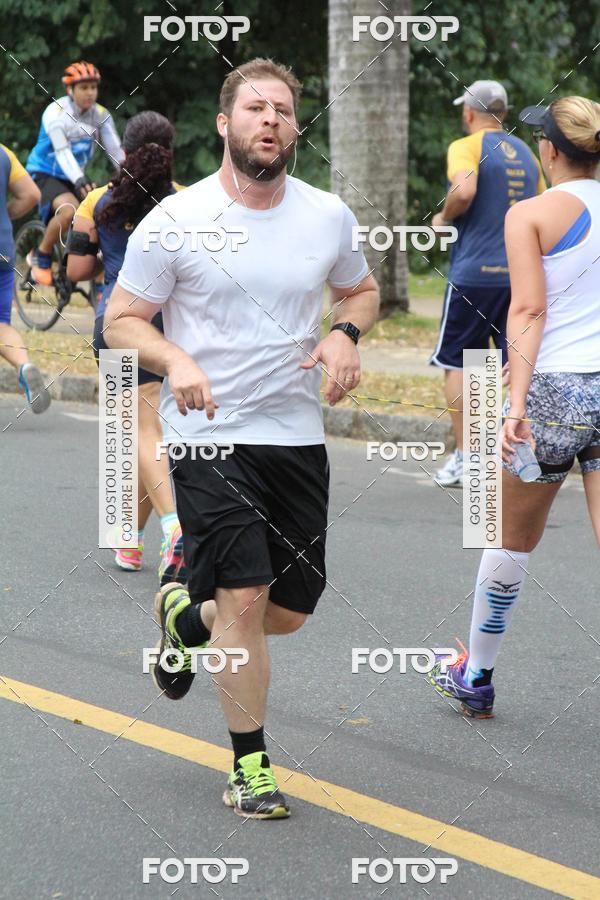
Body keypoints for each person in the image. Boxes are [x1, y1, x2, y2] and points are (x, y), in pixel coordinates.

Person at [105, 58, 380, 818]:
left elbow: (360, 288)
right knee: (248, 597)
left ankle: (181, 619)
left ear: (296, 127)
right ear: (225, 125)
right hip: (206, 437)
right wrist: (176, 356)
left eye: (284, 110)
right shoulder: (178, 219)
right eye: (255, 107)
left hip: (294, 438)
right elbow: (121, 320)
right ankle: (250, 767)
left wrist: (346, 333)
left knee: (285, 612)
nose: (271, 119)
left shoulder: (326, 215)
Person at [429, 95, 600, 717]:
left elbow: (527, 310)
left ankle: (476, 675)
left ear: (551, 150)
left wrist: (514, 403)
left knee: (509, 539)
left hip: (556, 391)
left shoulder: (531, 214)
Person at [66, 111, 186, 583]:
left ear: (125, 150)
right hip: (169, 329)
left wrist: (105, 258)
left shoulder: (98, 201)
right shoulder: (185, 202)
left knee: (137, 432)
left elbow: (76, 270)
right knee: (146, 430)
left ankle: (175, 526)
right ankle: (129, 541)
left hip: (116, 322)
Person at [431, 80, 545, 487]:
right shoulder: (529, 155)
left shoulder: (467, 146)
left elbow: (464, 190)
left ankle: (466, 458)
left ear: (468, 113)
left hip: (473, 276)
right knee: (510, 362)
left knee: (459, 362)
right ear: (505, 112)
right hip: (520, 277)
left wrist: (443, 218)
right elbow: (539, 209)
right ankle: (511, 453)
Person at [25, 62, 124, 286]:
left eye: (93, 87)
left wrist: (130, 174)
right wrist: (79, 179)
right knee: (68, 209)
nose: (90, 93)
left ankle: (98, 277)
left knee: (104, 211)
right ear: (70, 90)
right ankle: (41, 254)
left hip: (76, 175)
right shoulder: (55, 113)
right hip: (44, 173)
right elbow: (61, 150)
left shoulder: (100, 114)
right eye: (84, 88)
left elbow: (116, 151)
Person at [0, 141, 51, 413]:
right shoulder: (3, 152)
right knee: (0, 323)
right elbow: (31, 194)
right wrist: (5, 216)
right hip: (3, 249)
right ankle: (24, 365)